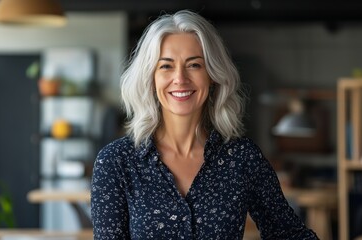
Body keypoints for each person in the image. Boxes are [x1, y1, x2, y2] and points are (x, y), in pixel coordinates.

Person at [91, 9, 319, 239]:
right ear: (151, 78)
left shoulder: (242, 158)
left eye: (194, 65)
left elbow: (290, 234)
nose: (180, 78)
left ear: (212, 75)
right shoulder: (116, 162)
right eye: (166, 66)